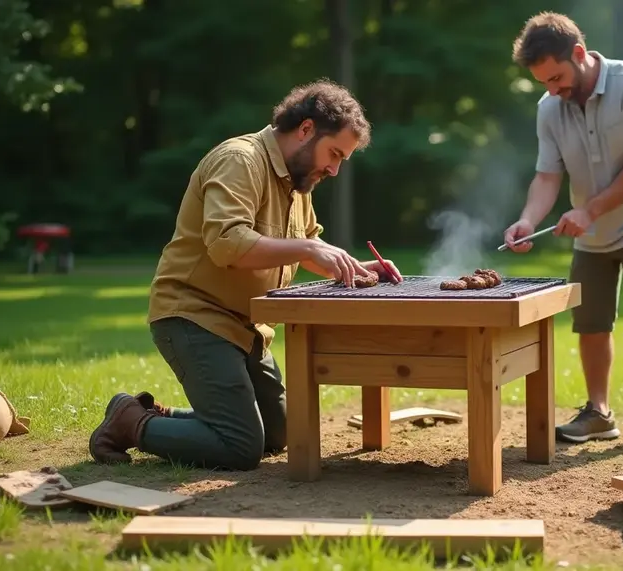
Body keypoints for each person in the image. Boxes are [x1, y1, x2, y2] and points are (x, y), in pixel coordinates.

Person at [88, 80, 403, 470]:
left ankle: (163, 417)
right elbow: (226, 242)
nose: (335, 170)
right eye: (333, 154)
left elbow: (307, 243)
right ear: (305, 130)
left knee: (280, 434)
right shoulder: (240, 160)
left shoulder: (298, 180)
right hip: (193, 317)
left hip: (248, 328)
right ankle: (129, 422)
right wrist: (309, 248)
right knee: (240, 447)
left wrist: (355, 268)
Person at [503, 12, 623, 446]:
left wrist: (589, 210)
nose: (552, 89)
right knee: (590, 321)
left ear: (579, 53)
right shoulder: (550, 108)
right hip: (591, 231)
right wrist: (529, 219)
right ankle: (599, 413)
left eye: (557, 77)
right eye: (544, 82)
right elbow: (548, 176)